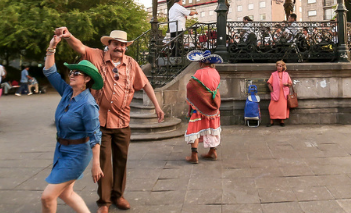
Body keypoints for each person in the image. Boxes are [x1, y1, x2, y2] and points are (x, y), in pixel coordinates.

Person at [54, 27, 164, 213]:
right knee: (104, 161)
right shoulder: (96, 56)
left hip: (122, 120)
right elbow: (80, 47)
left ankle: (118, 195)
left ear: (125, 47)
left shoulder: (131, 63)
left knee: (121, 160)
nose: (119, 47)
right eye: (116, 44)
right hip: (100, 121)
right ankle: (104, 201)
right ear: (109, 44)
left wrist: (157, 106)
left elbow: (145, 84)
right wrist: (68, 36)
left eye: (122, 45)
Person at [41, 34, 103, 213]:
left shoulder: (88, 104)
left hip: (77, 154)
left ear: (87, 80)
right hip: (61, 150)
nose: (72, 75)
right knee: (66, 193)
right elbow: (50, 72)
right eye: (72, 72)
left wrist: (96, 164)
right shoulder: (67, 92)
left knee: (48, 196)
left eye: (77, 73)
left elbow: (95, 134)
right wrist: (52, 46)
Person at [184, 50, 223, 163]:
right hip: (213, 105)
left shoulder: (199, 73)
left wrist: (198, 98)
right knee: (212, 128)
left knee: (194, 129)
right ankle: (212, 151)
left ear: (201, 62)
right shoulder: (215, 72)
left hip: (199, 108)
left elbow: (190, 87)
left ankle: (194, 155)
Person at [267, 60, 292, 127]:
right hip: (275, 94)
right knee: (271, 107)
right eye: (277, 66)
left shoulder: (286, 74)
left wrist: (286, 84)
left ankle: (282, 121)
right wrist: (272, 91)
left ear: (283, 67)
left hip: (284, 94)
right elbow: (269, 83)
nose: (278, 67)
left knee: (283, 108)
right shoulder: (273, 74)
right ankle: (271, 121)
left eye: (280, 66)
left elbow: (290, 84)